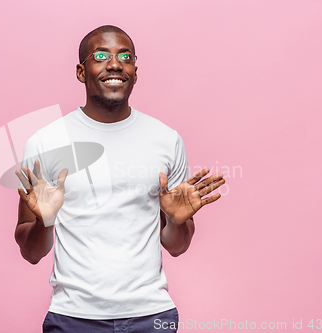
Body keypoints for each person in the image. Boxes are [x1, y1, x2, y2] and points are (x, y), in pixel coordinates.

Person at [14, 25, 225, 333]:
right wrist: (46, 220)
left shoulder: (166, 140)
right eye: (101, 55)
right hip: (73, 318)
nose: (115, 64)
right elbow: (31, 253)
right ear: (81, 71)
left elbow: (177, 247)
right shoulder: (46, 142)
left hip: (152, 316)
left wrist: (177, 221)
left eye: (125, 56)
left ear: (135, 73)